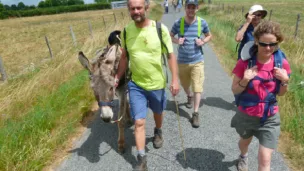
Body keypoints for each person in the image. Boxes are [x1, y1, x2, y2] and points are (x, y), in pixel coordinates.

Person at [115, 0, 179, 170]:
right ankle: (141, 159)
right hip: (136, 84)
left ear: (146, 8)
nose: (136, 11)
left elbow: (171, 56)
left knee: (158, 112)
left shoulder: (159, 29)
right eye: (132, 8)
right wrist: (117, 77)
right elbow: (124, 58)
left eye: (139, 8)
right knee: (139, 123)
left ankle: (158, 130)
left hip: (157, 84)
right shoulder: (127, 31)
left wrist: (174, 79)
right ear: (129, 10)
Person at [231, 21, 291, 171]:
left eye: (273, 44)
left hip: (270, 117)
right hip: (247, 114)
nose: (268, 48)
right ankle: (243, 156)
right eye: (264, 44)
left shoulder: (281, 63)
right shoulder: (244, 63)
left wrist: (284, 81)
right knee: (244, 143)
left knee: (265, 160)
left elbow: (281, 94)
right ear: (256, 41)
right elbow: (235, 90)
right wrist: (245, 79)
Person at [170, 0, 211, 128]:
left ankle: (195, 113)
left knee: (197, 86)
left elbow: (209, 35)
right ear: (185, 8)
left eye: (193, 8)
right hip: (182, 61)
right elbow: (169, 36)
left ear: (197, 9)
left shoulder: (202, 22)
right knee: (185, 84)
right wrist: (177, 40)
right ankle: (189, 95)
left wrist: (203, 41)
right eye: (189, 7)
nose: (191, 10)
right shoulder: (178, 23)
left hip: (197, 60)